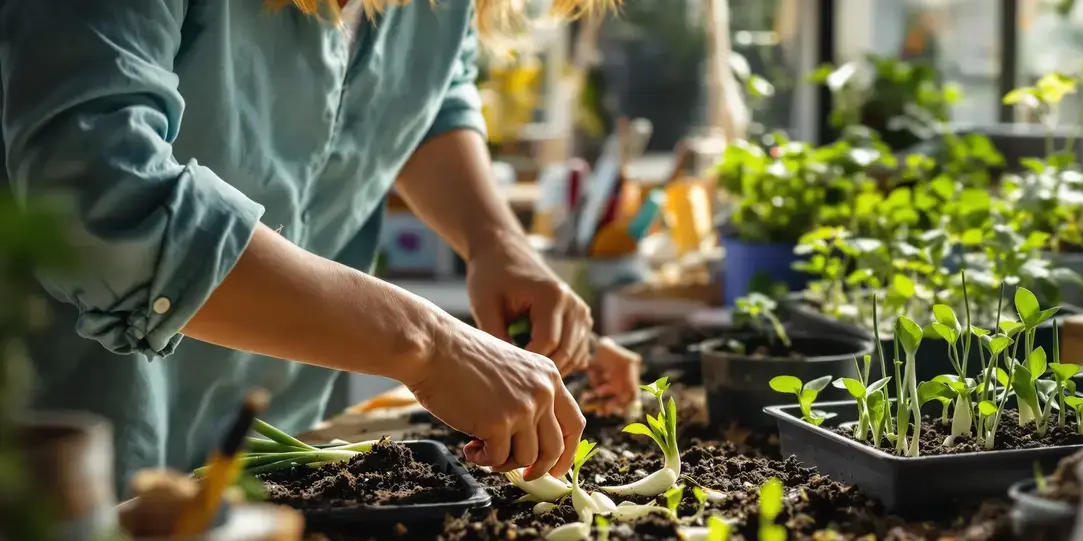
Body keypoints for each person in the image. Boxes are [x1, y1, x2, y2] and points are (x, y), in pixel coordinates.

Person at [0, 0, 635, 496]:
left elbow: (430, 93)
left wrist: (497, 242)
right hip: (63, 453)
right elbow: (102, 199)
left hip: (275, 437)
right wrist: (429, 345)